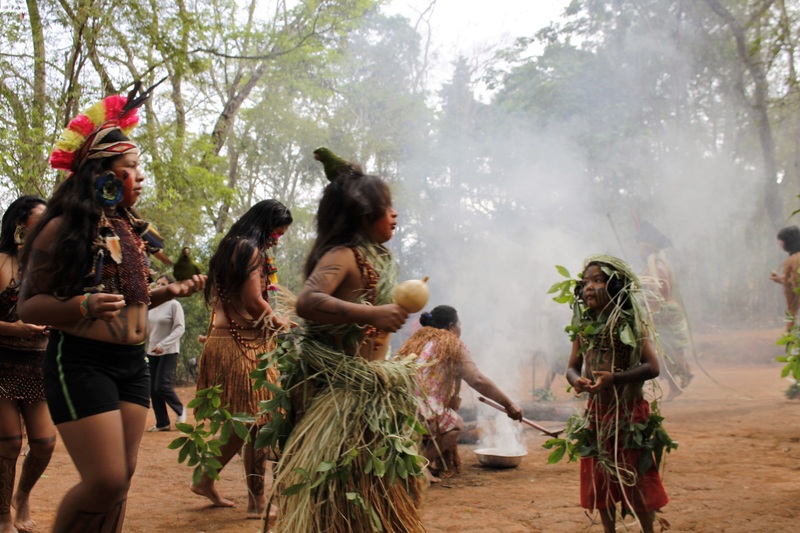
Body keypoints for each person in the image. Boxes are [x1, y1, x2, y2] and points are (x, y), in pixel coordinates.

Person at [17, 87, 206, 532]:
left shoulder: (129, 229)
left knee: (122, 481)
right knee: (105, 481)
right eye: (131, 168)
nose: (140, 177)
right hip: (82, 362)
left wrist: (169, 291)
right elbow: (29, 306)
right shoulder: (61, 229)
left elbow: (131, 302)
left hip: (133, 365)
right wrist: (82, 303)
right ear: (101, 175)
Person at [268, 148, 423, 532]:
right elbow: (308, 301)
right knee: (338, 495)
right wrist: (372, 314)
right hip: (339, 394)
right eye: (388, 207)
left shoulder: (376, 257)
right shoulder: (343, 255)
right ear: (364, 216)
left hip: (370, 391)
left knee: (378, 492)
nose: (395, 214)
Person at [190, 199, 293, 520]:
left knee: (246, 423)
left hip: (235, 342)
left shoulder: (232, 246)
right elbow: (252, 301)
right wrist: (278, 322)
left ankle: (206, 480)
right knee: (258, 422)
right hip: (240, 346)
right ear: (264, 225)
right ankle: (255, 501)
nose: (276, 241)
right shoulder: (248, 249)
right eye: (276, 234)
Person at [564, 255, 670, 533]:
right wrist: (577, 381)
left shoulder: (631, 325)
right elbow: (571, 368)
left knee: (636, 477)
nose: (589, 287)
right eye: (586, 282)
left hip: (628, 415)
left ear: (615, 286)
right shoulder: (583, 328)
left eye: (598, 280)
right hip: (597, 416)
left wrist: (615, 379)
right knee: (600, 479)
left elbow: (653, 367)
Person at [395, 305, 522, 481]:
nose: (461, 328)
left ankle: (416, 461)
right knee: (455, 425)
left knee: (440, 415)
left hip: (398, 406)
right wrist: (508, 404)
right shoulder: (451, 344)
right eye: (459, 323)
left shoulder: (418, 340)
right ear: (451, 326)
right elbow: (477, 379)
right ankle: (419, 463)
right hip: (420, 409)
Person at [0, 195, 55, 533]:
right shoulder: (1, 262)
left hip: (38, 363)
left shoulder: (49, 266)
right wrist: (15, 328)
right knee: (8, 443)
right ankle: (3, 516)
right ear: (20, 224)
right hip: (2, 362)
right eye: (41, 218)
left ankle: (22, 496)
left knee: (45, 443)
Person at [637, 221, 693, 400]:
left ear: (649, 249)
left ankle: (676, 383)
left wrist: (641, 298)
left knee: (661, 353)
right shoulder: (660, 265)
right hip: (667, 311)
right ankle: (685, 373)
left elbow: (656, 292)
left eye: (642, 248)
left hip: (661, 313)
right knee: (672, 349)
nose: (639, 252)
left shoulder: (655, 268)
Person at [147, 274, 187, 432]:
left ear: (170, 287)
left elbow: (180, 328)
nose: (158, 286)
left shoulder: (174, 305)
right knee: (153, 388)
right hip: (151, 351)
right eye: (157, 283)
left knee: (161, 385)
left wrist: (163, 345)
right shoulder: (151, 305)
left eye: (163, 284)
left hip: (169, 351)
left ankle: (180, 409)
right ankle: (162, 423)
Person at [770, 225, 800, 330]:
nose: (780, 244)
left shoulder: (795, 260)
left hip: (796, 308)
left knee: (793, 331)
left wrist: (783, 281)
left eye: (781, 241)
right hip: (795, 307)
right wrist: (782, 280)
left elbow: (796, 285)